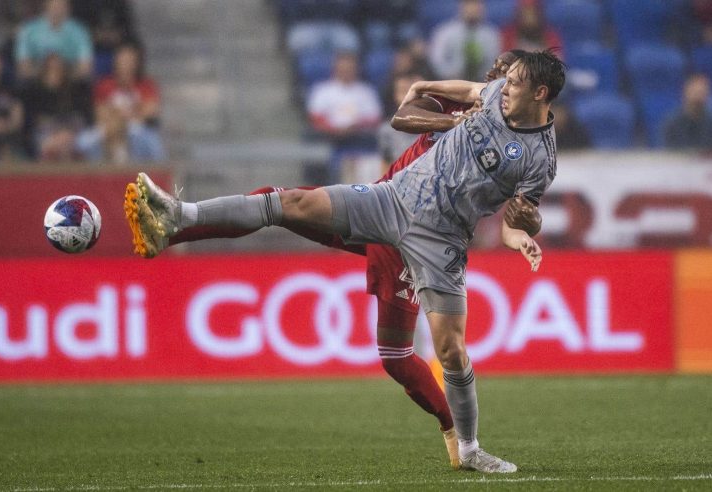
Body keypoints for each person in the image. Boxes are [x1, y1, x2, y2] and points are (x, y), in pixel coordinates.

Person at [125, 50, 561, 473]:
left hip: (440, 241)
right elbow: (447, 95)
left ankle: (468, 447)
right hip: (389, 200)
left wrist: (522, 233)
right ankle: (178, 216)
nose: (502, 85)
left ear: (540, 93)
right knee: (289, 202)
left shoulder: (539, 159)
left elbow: (515, 220)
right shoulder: (493, 93)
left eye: (515, 81)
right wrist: (430, 90)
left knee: (449, 350)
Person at [76, 43, 164, 164]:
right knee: (83, 142)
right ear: (116, 61)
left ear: (136, 62)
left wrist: (119, 114)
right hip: (110, 127)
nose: (125, 64)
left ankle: (146, 173)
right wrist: (129, 113)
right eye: (122, 59)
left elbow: (150, 111)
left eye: (129, 60)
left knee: (141, 135)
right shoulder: (104, 85)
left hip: (136, 128)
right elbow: (100, 113)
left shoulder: (146, 85)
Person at [306, 52, 383, 183]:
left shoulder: (366, 91)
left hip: (360, 139)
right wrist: (333, 130)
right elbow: (315, 117)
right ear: (335, 68)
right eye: (343, 68)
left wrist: (355, 127)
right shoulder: (323, 90)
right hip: (329, 139)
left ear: (356, 69)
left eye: (350, 68)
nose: (346, 71)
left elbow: (375, 118)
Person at [14, 0, 93, 80]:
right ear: (46, 5)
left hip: (70, 82)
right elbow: (23, 66)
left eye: (61, 5)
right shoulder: (28, 29)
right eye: (54, 5)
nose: (58, 9)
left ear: (68, 7)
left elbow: (85, 67)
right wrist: (46, 76)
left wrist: (62, 76)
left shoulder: (80, 31)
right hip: (36, 82)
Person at [428, 0, 501, 82]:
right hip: (450, 82)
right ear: (461, 7)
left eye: (476, 5)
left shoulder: (491, 34)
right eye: (469, 5)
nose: (472, 9)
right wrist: (450, 74)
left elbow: (494, 62)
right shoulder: (445, 32)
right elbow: (436, 61)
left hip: (481, 84)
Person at [663, 73, 712, 151]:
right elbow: (670, 154)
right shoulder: (672, 123)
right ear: (685, 93)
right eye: (695, 92)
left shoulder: (711, 123)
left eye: (702, 92)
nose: (698, 97)